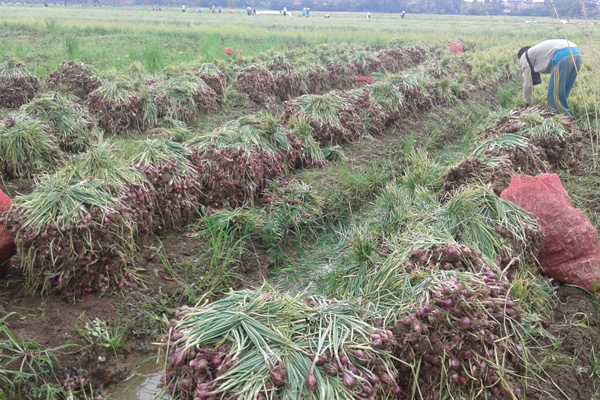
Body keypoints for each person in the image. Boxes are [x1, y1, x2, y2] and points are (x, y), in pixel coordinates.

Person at [518, 39, 582, 117]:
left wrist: (527, 104)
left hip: (562, 55)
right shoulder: (536, 52)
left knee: (553, 98)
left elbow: (528, 84)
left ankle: (567, 121)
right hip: (577, 53)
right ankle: (562, 117)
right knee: (563, 93)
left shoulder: (524, 57)